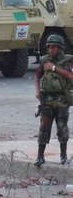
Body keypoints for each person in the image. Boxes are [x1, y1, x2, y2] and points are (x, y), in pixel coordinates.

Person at [34, 34, 73, 166]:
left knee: (62, 129)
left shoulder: (67, 61)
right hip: (47, 100)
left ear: (59, 48)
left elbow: (70, 75)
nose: (51, 50)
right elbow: (37, 76)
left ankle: (63, 156)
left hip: (62, 99)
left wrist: (54, 68)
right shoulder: (44, 60)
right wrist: (38, 91)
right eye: (49, 47)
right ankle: (40, 157)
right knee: (44, 128)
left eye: (53, 47)